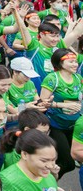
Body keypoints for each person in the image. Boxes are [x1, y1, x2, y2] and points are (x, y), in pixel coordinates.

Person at [38, 47, 82, 178]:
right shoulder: (52, 78)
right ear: (60, 63)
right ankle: (47, 181)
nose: (75, 64)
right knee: (68, 163)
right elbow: (42, 103)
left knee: (71, 159)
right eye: (71, 62)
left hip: (74, 124)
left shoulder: (78, 78)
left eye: (75, 61)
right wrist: (61, 104)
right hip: (57, 125)